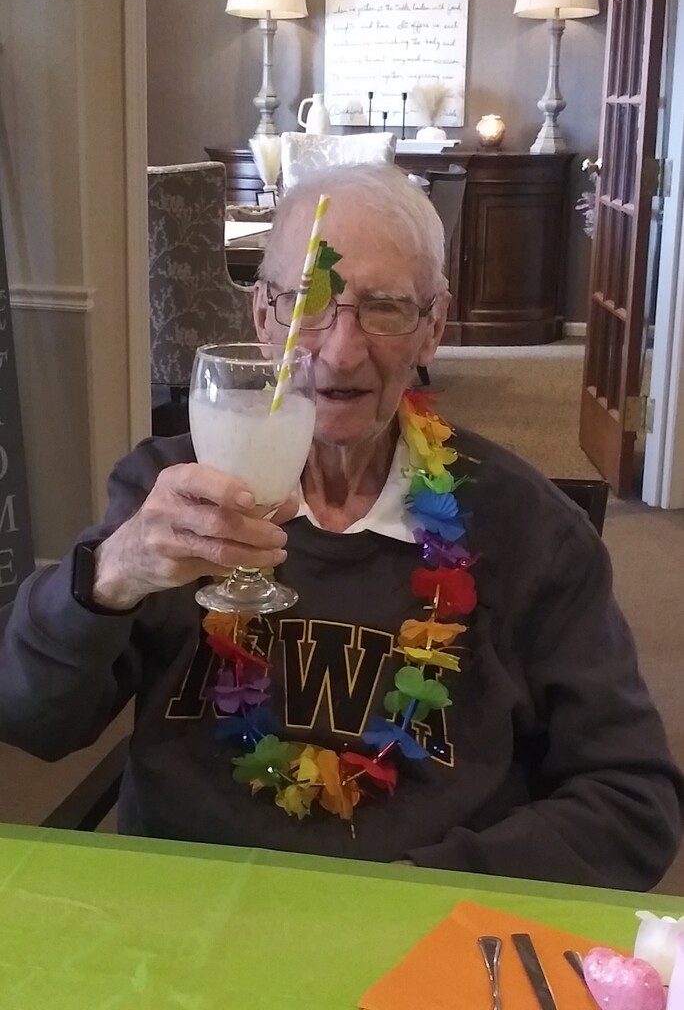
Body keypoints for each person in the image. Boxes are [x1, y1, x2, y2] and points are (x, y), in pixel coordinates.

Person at [0, 164, 681, 889]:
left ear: (432, 329)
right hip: (189, 916)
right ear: (263, 317)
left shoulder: (529, 529)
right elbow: (28, 718)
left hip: (427, 927)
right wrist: (110, 576)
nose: (341, 350)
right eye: (309, 302)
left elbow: (632, 802)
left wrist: (424, 892)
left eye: (384, 308)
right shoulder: (168, 498)